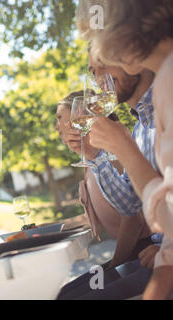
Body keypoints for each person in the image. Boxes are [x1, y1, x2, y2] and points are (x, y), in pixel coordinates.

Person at [78, 0, 173, 299]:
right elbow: (135, 203)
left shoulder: (166, 84)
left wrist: (121, 148)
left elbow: (158, 214)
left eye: (102, 50)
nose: (99, 80)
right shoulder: (143, 122)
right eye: (94, 72)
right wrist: (99, 156)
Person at [55, 92, 156, 299]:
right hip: (132, 252)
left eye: (59, 118)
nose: (56, 127)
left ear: (80, 115)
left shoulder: (113, 153)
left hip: (141, 249)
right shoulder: (93, 159)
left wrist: (114, 264)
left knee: (69, 295)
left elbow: (133, 218)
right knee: (64, 293)